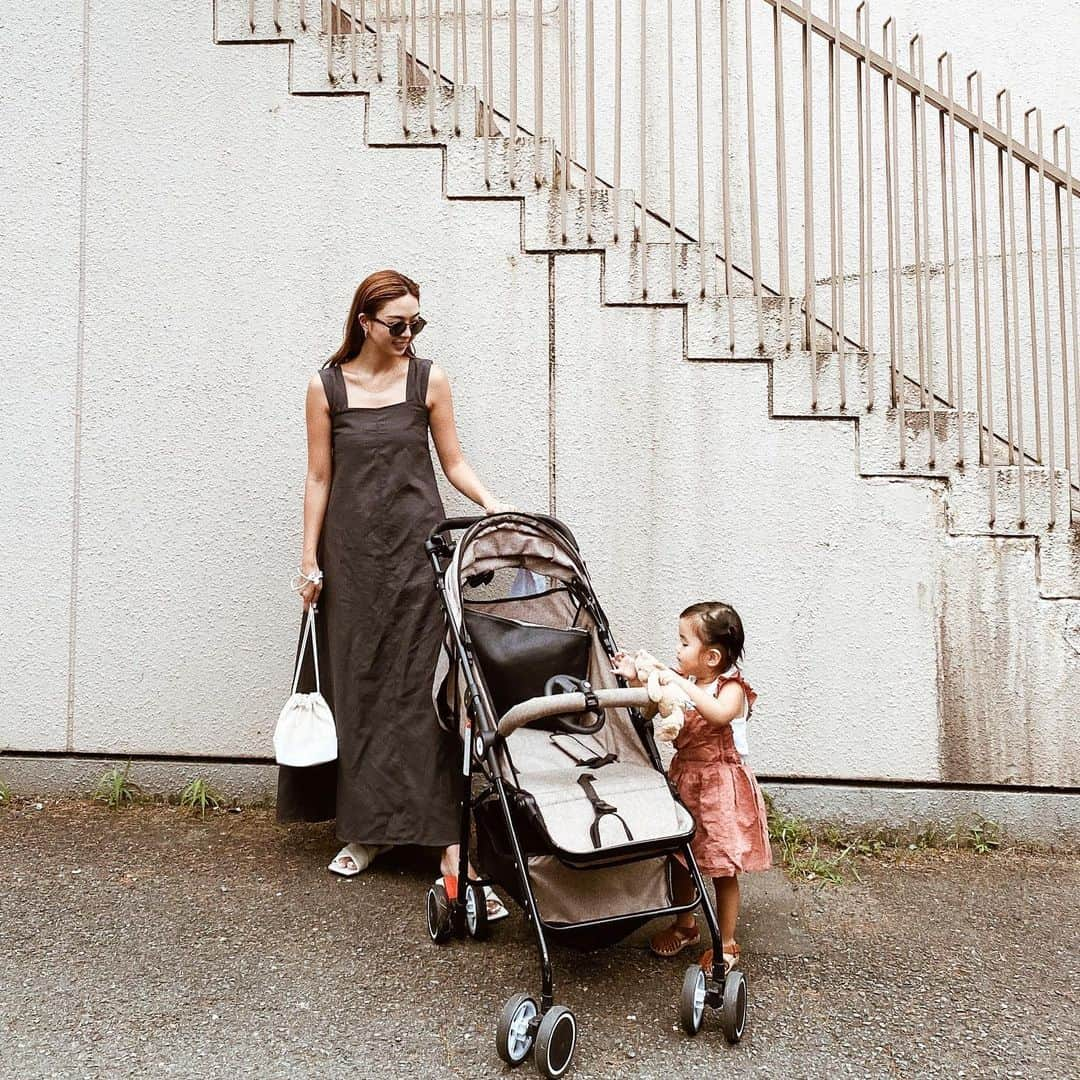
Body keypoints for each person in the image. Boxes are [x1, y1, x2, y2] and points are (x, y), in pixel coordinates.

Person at [279, 269, 512, 915]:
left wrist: (493, 504)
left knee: (417, 698)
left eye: (417, 323)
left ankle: (446, 848)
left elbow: (453, 462)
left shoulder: (428, 379)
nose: (409, 334)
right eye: (397, 324)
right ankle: (366, 832)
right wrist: (308, 562)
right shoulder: (324, 386)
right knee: (358, 694)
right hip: (350, 564)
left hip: (416, 560)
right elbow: (319, 476)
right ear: (365, 322)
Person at [612, 601, 771, 972]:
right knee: (680, 857)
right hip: (685, 779)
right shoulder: (686, 685)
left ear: (712, 656)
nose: (677, 651)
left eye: (684, 643)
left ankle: (727, 942)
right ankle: (686, 924)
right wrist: (638, 676)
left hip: (722, 787)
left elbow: (716, 714)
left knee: (721, 866)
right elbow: (652, 707)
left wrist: (679, 682)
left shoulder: (731, 688)